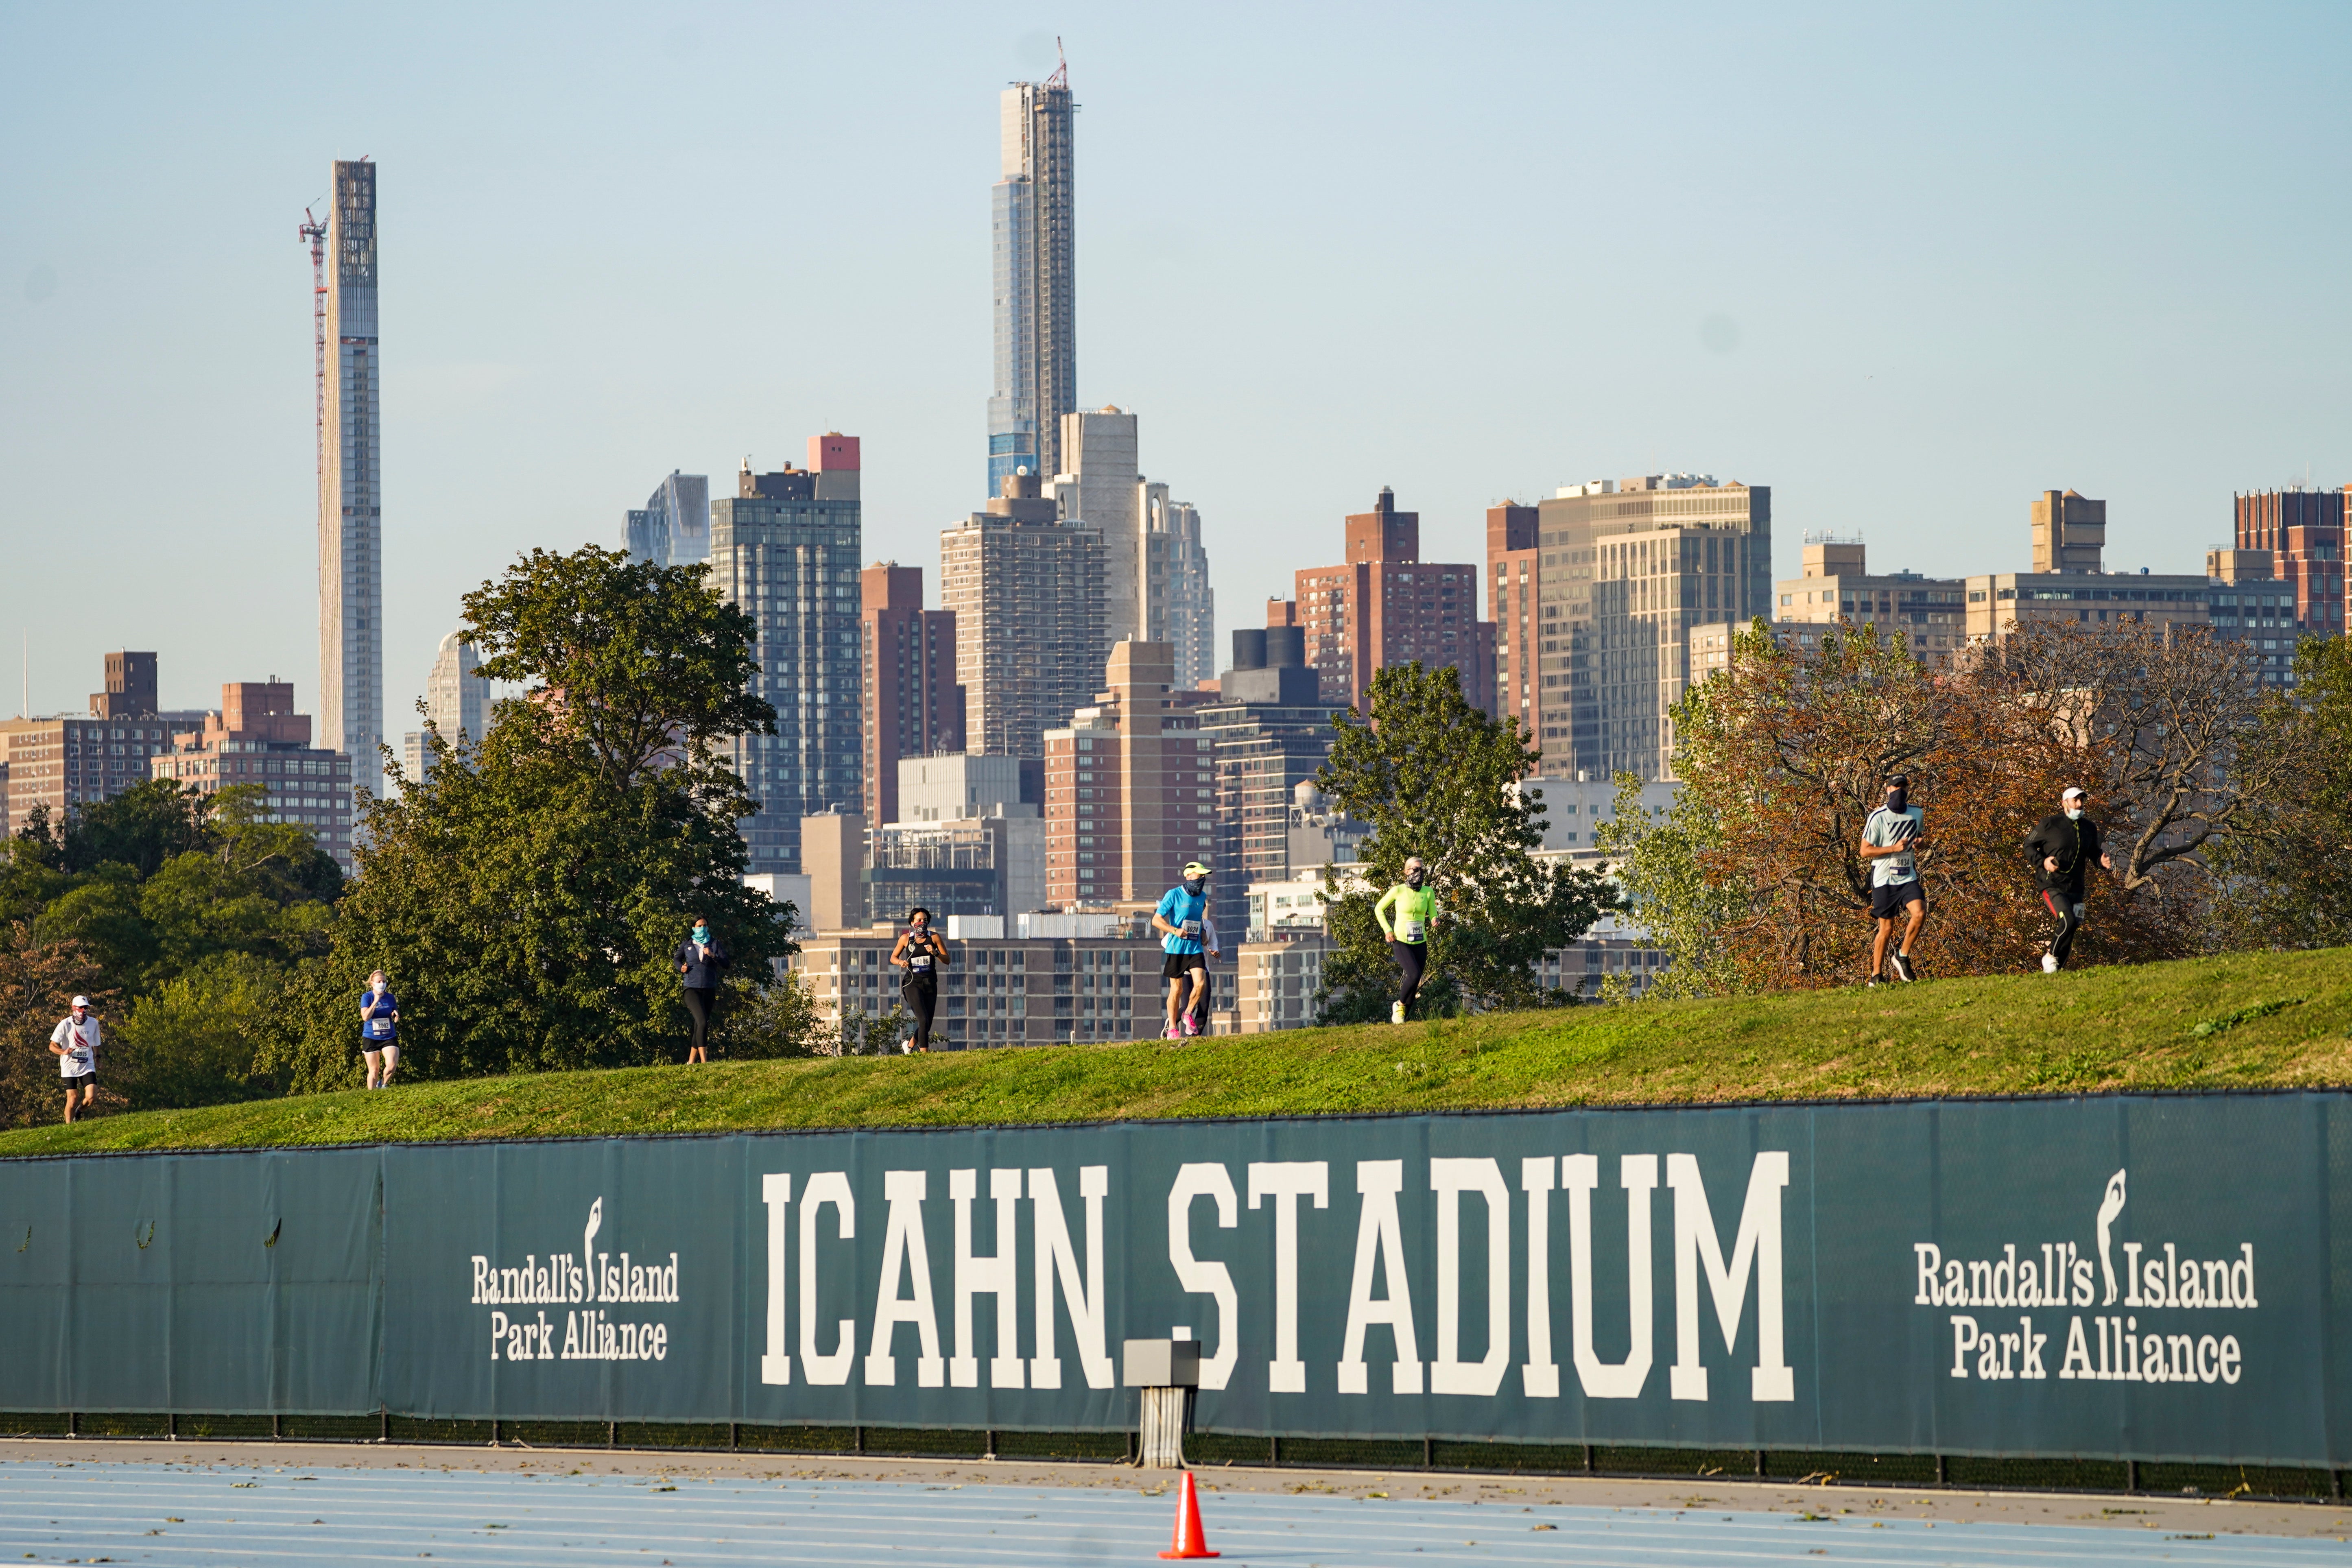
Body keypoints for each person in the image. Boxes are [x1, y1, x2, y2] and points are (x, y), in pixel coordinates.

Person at [2025, 785, 2112, 973]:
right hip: (2052, 884)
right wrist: (2043, 862)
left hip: (2076, 887)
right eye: (2076, 800)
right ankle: (2050, 958)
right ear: (2065, 803)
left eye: (2082, 800)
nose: (2080, 804)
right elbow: (2028, 846)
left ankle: (2057, 972)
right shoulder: (2049, 824)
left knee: (2071, 930)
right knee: (2068, 922)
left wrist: (2101, 861)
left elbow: (2094, 853)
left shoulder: (2089, 828)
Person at [1860, 774, 1928, 984]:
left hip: (1907, 875)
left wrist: (1920, 844)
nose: (1899, 791)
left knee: (1920, 913)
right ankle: (1876, 976)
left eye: (1903, 787)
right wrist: (1893, 848)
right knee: (1887, 928)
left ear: (1908, 789)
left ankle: (1902, 956)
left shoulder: (1917, 813)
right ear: (1888, 790)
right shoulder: (1878, 817)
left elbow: (1922, 837)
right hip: (1884, 878)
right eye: (1896, 787)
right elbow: (1864, 851)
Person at [1152, 862, 1214, 1040]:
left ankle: (1187, 1013)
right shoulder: (1174, 895)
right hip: (1176, 948)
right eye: (1199, 875)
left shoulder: (1202, 897)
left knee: (1201, 984)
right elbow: (1156, 920)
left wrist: (1202, 932)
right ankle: (1172, 1028)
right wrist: (1174, 930)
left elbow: (1199, 918)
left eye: (1204, 876)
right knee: (1176, 990)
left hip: (1195, 948)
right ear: (1189, 876)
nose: (1202, 879)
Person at [1375, 857, 1437, 1024]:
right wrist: (1387, 930)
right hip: (1401, 940)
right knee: (1414, 974)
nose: (1419, 874)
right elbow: (1379, 909)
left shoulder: (1428, 892)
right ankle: (1399, 1004)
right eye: (1415, 870)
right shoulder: (1398, 891)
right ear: (1406, 871)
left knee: (1416, 980)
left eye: (1421, 870)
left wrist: (1434, 919)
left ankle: (1403, 1019)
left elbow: (1433, 911)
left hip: (1420, 941)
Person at [890, 907, 951, 1053]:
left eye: (925, 920)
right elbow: (893, 957)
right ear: (912, 923)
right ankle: (924, 1054)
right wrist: (901, 963)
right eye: (919, 920)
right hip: (912, 983)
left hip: (930, 983)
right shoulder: (906, 939)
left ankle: (909, 1045)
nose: (922, 923)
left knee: (927, 1024)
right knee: (923, 1019)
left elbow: (947, 960)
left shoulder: (935, 937)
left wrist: (935, 953)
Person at [674, 916, 729, 1063]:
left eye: (705, 925)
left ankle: (691, 1062)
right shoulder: (687, 944)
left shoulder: (714, 944)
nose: (702, 928)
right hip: (691, 988)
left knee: (700, 1024)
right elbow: (677, 959)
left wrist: (713, 956)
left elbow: (726, 963)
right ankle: (705, 1062)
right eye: (699, 926)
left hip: (709, 988)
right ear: (694, 928)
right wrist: (682, 968)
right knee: (703, 1022)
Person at [48, 996, 100, 1123]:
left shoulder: (93, 1023)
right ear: (73, 1008)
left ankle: (79, 1112)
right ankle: (69, 1127)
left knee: (91, 1096)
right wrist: (63, 1052)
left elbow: (96, 1044)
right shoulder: (65, 1024)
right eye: (81, 1008)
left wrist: (98, 1059)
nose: (83, 1011)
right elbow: (52, 1046)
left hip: (87, 1064)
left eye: (86, 1008)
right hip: (69, 1066)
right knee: (72, 1100)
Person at [1185, 911, 1225, 1036]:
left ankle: (1195, 1038)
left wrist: (1215, 952)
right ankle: (1171, 1025)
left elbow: (1213, 943)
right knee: (1188, 1006)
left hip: (1204, 968)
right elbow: (1165, 942)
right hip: (1186, 971)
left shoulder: (1208, 925)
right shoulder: (1183, 924)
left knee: (1204, 1004)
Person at [359, 970, 402, 1088]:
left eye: (384, 981)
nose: (382, 984)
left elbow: (393, 1011)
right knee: (374, 1070)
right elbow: (365, 1017)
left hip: (388, 1035)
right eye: (379, 981)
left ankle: (383, 1084)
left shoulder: (390, 997)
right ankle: (371, 1096)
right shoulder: (367, 997)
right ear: (372, 983)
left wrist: (395, 1015)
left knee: (392, 1065)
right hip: (371, 1036)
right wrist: (375, 1002)